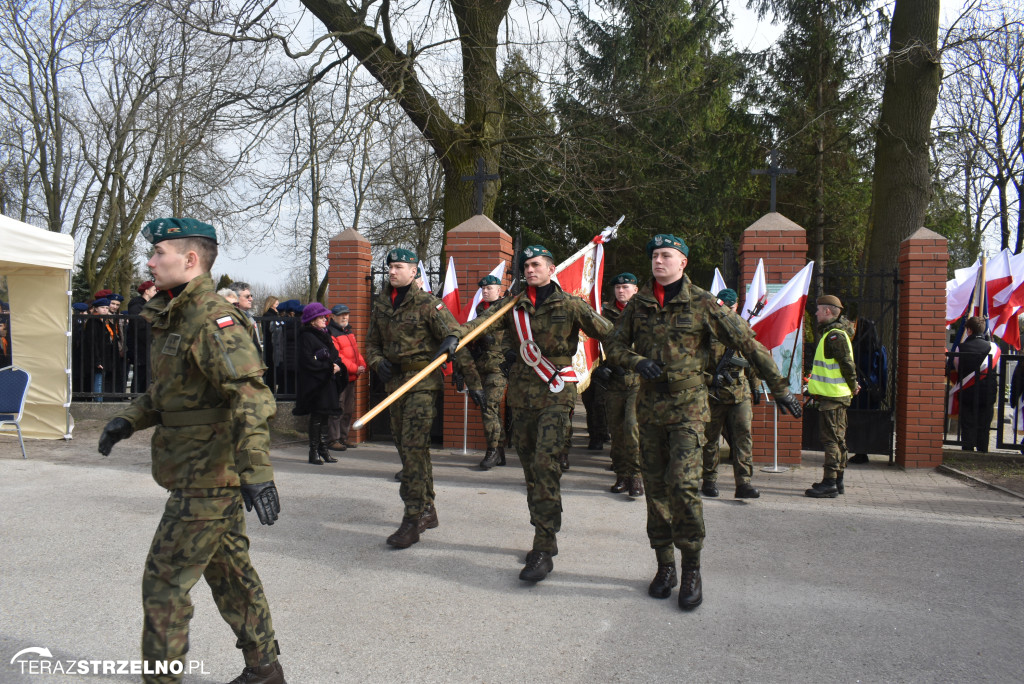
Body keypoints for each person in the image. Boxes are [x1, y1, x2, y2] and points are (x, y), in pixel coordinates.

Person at [96, 217, 286, 684]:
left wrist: (257, 471)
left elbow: (251, 396)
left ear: (191, 259)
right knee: (230, 573)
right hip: (196, 472)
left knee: (163, 586)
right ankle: (265, 670)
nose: (150, 260)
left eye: (159, 252)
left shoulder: (210, 318)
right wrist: (129, 418)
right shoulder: (175, 313)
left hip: (208, 478)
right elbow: (171, 393)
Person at [603, 234, 801, 610]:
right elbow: (612, 345)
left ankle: (691, 566)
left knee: (684, 486)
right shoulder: (639, 304)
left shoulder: (704, 303)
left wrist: (780, 389)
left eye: (667, 256)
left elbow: (749, 343)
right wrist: (634, 361)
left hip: (690, 408)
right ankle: (665, 566)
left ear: (683, 263)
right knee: (656, 488)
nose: (658, 261)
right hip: (649, 408)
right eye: (655, 256)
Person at [438, 245, 614, 582]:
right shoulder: (514, 303)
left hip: (555, 393)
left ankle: (543, 547)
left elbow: (609, 333)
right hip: (521, 396)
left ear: (550, 268)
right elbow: (479, 322)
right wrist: (453, 336)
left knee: (546, 467)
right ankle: (545, 530)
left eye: (536, 265)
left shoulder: (571, 303)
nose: (530, 270)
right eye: (525, 266)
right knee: (532, 472)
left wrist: (621, 364)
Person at [365, 248, 485, 549]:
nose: (393, 271)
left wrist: (474, 383)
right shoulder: (381, 306)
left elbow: (457, 341)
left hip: (423, 384)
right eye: (390, 266)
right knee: (408, 450)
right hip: (395, 385)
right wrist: (377, 363)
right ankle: (428, 509)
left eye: (399, 266)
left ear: (414, 272)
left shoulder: (430, 304)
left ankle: (412, 517)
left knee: (414, 447)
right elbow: (371, 344)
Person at [700, 288, 762, 500]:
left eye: (731, 306)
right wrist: (709, 379)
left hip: (739, 393)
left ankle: (743, 483)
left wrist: (756, 385)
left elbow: (752, 359)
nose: (728, 309)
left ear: (736, 306)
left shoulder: (742, 327)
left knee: (743, 437)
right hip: (714, 394)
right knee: (710, 439)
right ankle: (709, 480)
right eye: (724, 305)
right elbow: (694, 363)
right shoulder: (707, 330)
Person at [805, 294, 860, 498]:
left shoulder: (834, 336)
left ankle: (830, 483)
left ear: (828, 311)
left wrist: (853, 384)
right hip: (833, 397)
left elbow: (847, 364)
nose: (816, 313)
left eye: (819, 310)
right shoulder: (833, 334)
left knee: (832, 441)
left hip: (833, 398)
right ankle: (837, 481)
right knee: (838, 439)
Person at [594, 272, 643, 497]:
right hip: (612, 379)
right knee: (616, 430)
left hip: (638, 380)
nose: (620, 291)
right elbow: (591, 344)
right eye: (617, 287)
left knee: (632, 427)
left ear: (635, 289)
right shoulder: (603, 312)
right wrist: (598, 367)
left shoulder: (645, 312)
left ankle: (635, 476)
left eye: (625, 287)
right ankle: (622, 475)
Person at [294, 302, 347, 465]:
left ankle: (323, 449)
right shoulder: (307, 336)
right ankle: (314, 451)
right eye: (321, 317)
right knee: (317, 417)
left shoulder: (325, 333)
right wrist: (328, 367)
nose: (325, 318)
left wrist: (337, 365)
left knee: (325, 417)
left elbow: (334, 353)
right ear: (312, 320)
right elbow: (307, 361)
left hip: (326, 382)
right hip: (315, 384)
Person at [469, 274, 509, 470]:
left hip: (498, 366)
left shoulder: (506, 308)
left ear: (499, 290)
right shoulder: (479, 310)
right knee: (491, 410)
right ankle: (500, 452)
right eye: (483, 289)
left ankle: (492, 451)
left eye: (490, 288)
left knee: (489, 407)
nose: (485, 291)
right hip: (482, 365)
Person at [948, 316, 997, 454]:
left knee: (967, 422)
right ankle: (983, 450)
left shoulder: (961, 347)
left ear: (969, 330)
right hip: (987, 392)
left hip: (967, 390)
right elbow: (995, 367)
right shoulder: (992, 347)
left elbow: (956, 367)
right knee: (984, 423)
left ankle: (968, 450)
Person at [326, 304, 366, 452]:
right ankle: (333, 439)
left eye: (346, 314)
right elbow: (339, 357)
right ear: (333, 317)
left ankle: (343, 437)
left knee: (348, 409)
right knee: (338, 408)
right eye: (341, 315)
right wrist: (356, 368)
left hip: (350, 377)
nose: (344, 317)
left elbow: (355, 352)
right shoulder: (331, 332)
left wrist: (361, 363)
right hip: (340, 377)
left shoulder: (348, 331)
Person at [83, 298, 117, 401]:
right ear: (96, 309)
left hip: (104, 356)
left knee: (101, 380)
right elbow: (93, 342)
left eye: (107, 308)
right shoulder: (93, 322)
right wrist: (97, 360)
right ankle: (98, 403)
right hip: (97, 356)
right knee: (98, 381)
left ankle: (99, 400)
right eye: (102, 307)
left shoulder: (103, 321)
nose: (105, 310)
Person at [127, 281, 157, 393]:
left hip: (146, 343)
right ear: (147, 291)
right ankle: (137, 396)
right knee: (140, 373)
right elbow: (138, 325)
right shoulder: (137, 305)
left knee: (146, 373)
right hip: (140, 344)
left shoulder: (148, 305)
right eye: (154, 290)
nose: (156, 292)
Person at [230, 281, 263, 352]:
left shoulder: (249, 317)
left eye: (251, 296)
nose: (251, 299)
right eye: (247, 296)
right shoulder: (232, 318)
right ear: (235, 298)